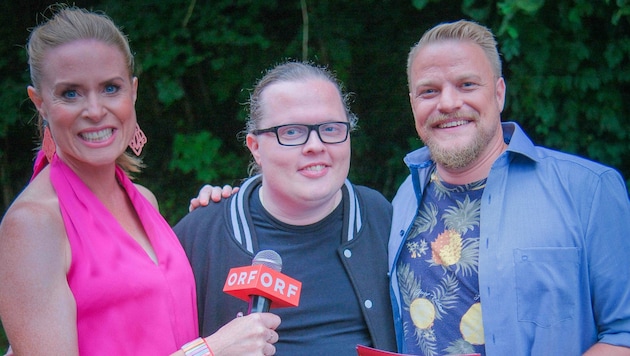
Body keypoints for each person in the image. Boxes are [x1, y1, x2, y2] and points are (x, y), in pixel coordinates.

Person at [0, 5, 279, 355]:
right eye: (70, 93)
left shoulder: (144, 200)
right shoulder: (33, 224)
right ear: (39, 103)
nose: (95, 110)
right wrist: (209, 352)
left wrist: (212, 217)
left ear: (133, 91)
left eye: (110, 88)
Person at [388, 19, 630, 355]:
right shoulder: (404, 198)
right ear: (413, 103)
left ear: (499, 93)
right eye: (429, 91)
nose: (447, 103)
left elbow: (624, 333)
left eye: (467, 84)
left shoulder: (589, 191)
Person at [174, 61, 397, 355]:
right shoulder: (201, 235)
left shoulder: (382, 217)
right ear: (255, 147)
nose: (315, 145)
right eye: (291, 132)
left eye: (330, 129)